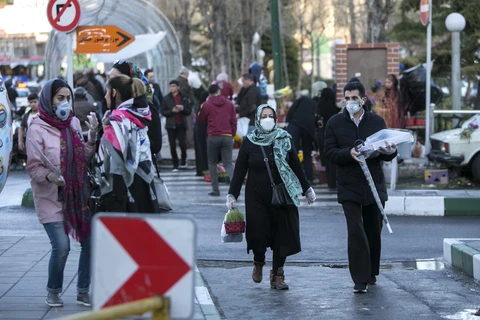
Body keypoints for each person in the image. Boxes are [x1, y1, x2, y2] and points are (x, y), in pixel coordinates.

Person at [226, 104, 316, 290]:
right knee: (259, 233)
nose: (268, 119)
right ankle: (258, 261)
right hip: (257, 196)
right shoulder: (249, 141)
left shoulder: (284, 138)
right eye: (264, 116)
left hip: (283, 194)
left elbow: (295, 166)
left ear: (275, 120)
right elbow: (240, 169)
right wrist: (232, 194)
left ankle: (278, 274)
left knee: (282, 235)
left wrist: (307, 189)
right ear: (258, 119)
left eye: (271, 116)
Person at [26, 78, 98, 307]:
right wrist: (49, 176)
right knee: (62, 246)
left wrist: (93, 136)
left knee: (90, 242)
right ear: (49, 100)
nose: (65, 103)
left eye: (68, 98)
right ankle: (54, 290)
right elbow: (34, 167)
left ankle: (83, 290)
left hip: (77, 195)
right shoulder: (36, 128)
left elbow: (83, 158)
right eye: (60, 98)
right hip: (50, 196)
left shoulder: (74, 123)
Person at [324, 80, 397, 293]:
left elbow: (389, 152)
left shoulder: (376, 121)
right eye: (346, 98)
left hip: (374, 184)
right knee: (355, 231)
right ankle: (359, 280)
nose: (350, 102)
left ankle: (372, 271)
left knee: (373, 231)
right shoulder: (334, 123)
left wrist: (389, 150)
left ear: (363, 100)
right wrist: (349, 153)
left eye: (354, 98)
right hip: (349, 185)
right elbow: (329, 152)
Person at [97, 75, 159, 213]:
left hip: (124, 188)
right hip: (144, 182)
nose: (105, 97)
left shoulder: (118, 120)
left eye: (106, 92)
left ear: (113, 93)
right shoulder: (138, 114)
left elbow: (116, 161)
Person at [110, 60, 162, 165]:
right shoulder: (115, 106)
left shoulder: (146, 107)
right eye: (110, 78)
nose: (111, 83)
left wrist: (130, 145)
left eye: (116, 78)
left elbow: (156, 144)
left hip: (140, 169)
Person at [198, 84, 237, 196]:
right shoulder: (230, 104)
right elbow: (234, 120)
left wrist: (204, 104)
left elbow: (201, 118)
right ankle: (235, 190)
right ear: (219, 91)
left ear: (209, 93)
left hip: (213, 136)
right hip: (227, 135)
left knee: (212, 163)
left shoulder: (206, 104)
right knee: (228, 163)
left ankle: (215, 189)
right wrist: (232, 134)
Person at [285, 92, 316, 185]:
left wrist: (288, 120)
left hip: (294, 125)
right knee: (307, 154)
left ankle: (292, 177)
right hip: (308, 128)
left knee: (293, 152)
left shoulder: (301, 99)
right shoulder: (314, 104)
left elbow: (291, 110)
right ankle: (309, 178)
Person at [161, 80, 192, 171]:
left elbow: (188, 111)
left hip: (181, 124)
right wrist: (172, 111)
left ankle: (183, 160)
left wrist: (182, 109)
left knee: (182, 144)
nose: (172, 88)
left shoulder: (184, 97)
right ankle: (175, 164)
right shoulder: (166, 98)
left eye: (173, 86)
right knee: (172, 145)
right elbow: (163, 111)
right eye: (170, 86)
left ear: (178, 87)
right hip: (171, 125)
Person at [314, 88, 340, 189]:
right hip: (329, 135)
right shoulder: (330, 107)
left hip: (320, 135)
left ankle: (330, 182)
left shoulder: (318, 106)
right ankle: (333, 183)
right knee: (332, 161)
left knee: (326, 160)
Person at [194, 90, 210, 176]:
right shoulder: (203, 106)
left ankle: (203, 169)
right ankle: (203, 169)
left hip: (201, 130)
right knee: (202, 151)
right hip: (201, 131)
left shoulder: (201, 105)